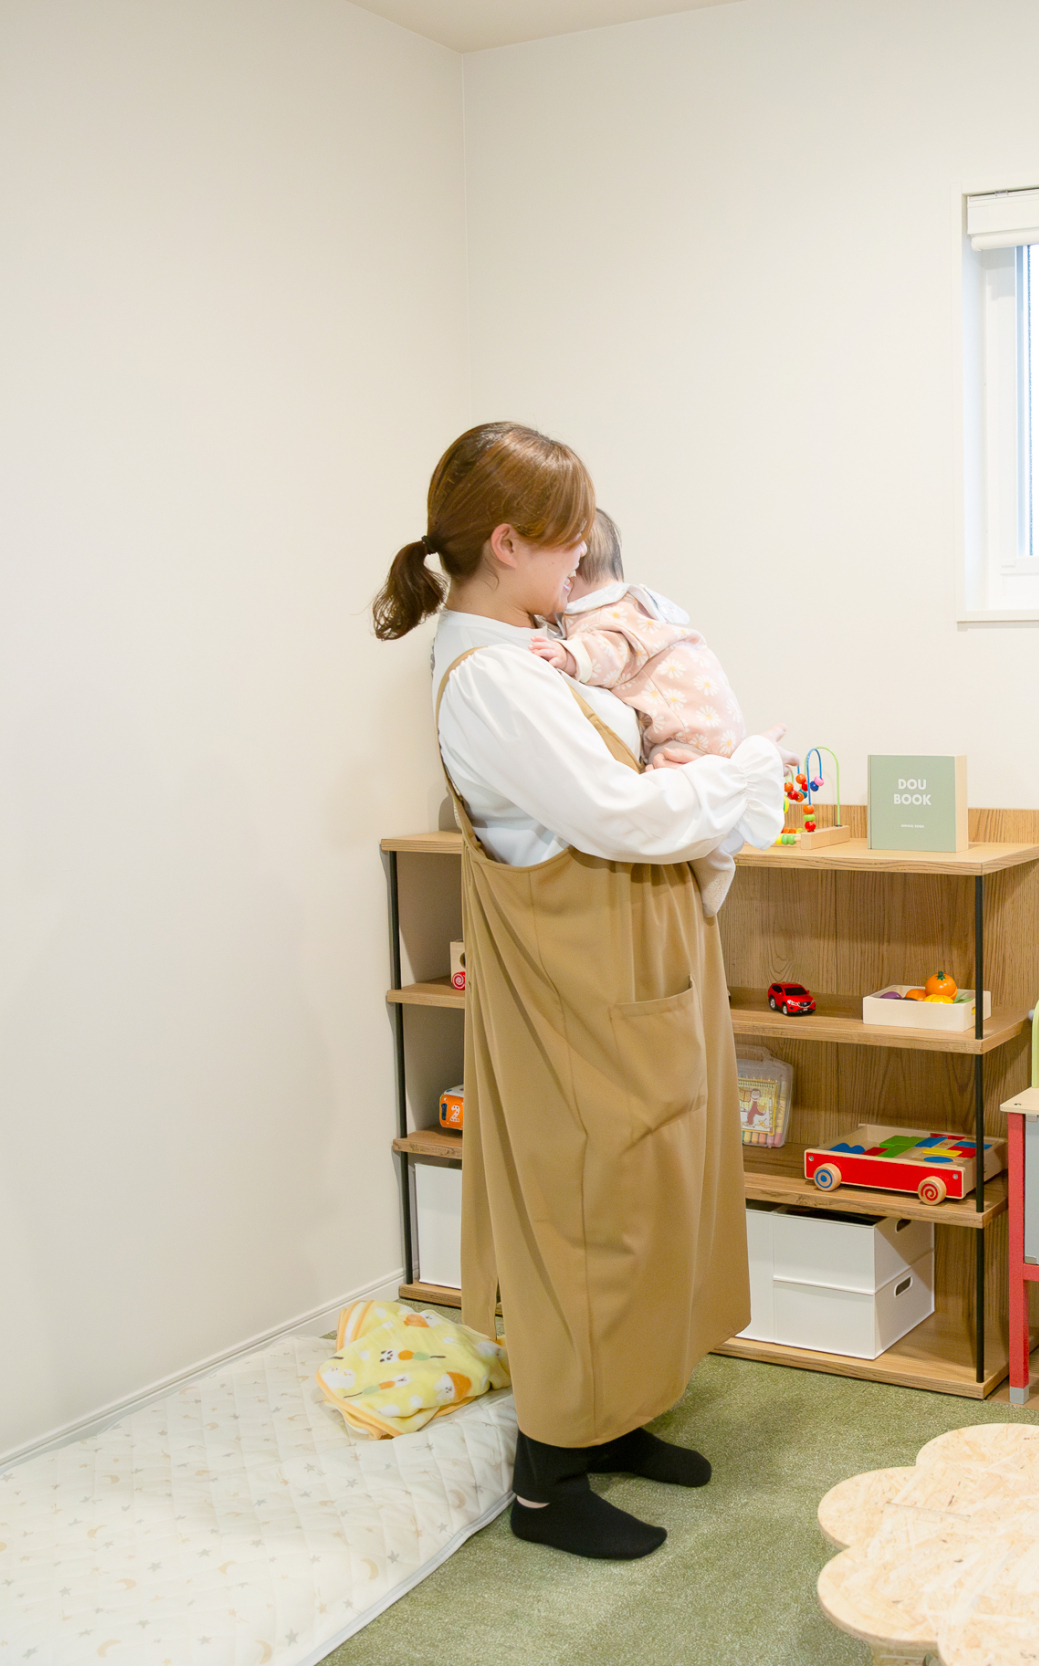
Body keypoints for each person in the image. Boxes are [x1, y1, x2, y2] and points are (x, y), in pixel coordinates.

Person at [371, 422, 785, 1560]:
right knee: (590, 1212)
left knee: (650, 1195)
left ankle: (614, 1418)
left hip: (632, 956)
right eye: (565, 543)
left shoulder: (531, 650)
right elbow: (619, 813)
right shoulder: (490, 679)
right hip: (582, 974)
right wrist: (746, 774)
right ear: (507, 544)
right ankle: (549, 1479)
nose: (582, 566)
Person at [528, 508, 746, 766]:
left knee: (663, 771)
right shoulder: (630, 607)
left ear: (570, 576)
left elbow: (608, 652)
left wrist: (568, 655)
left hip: (689, 733)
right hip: (716, 724)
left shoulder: (600, 617)